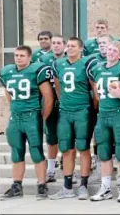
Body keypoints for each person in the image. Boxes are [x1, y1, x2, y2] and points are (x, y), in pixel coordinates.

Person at [0, 45, 53, 200]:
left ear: (29, 57)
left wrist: (42, 117)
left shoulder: (36, 70)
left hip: (32, 115)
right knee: (16, 151)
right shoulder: (7, 72)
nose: (18, 58)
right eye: (16, 55)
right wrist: (14, 109)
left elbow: (48, 97)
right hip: (15, 117)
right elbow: (8, 93)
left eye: (22, 55)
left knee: (36, 151)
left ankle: (42, 185)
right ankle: (16, 185)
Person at [49, 37, 98, 200]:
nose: (69, 48)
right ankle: (67, 187)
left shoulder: (86, 63)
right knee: (66, 149)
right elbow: (57, 87)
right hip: (65, 111)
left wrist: (93, 107)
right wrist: (63, 103)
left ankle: (83, 185)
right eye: (68, 46)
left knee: (83, 147)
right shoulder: (58, 64)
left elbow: (94, 88)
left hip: (83, 110)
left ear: (81, 48)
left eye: (73, 46)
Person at [88, 41, 120, 202]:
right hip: (103, 115)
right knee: (103, 153)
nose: (110, 52)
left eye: (114, 50)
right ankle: (106, 188)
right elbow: (96, 93)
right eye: (109, 49)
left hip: (118, 114)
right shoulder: (97, 68)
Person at [38, 34, 67, 182]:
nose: (56, 45)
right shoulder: (44, 60)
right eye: (54, 43)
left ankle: (67, 165)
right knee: (51, 137)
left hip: (67, 102)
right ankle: (51, 169)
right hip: (50, 101)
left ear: (64, 45)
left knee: (68, 136)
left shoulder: (71, 59)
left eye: (59, 43)